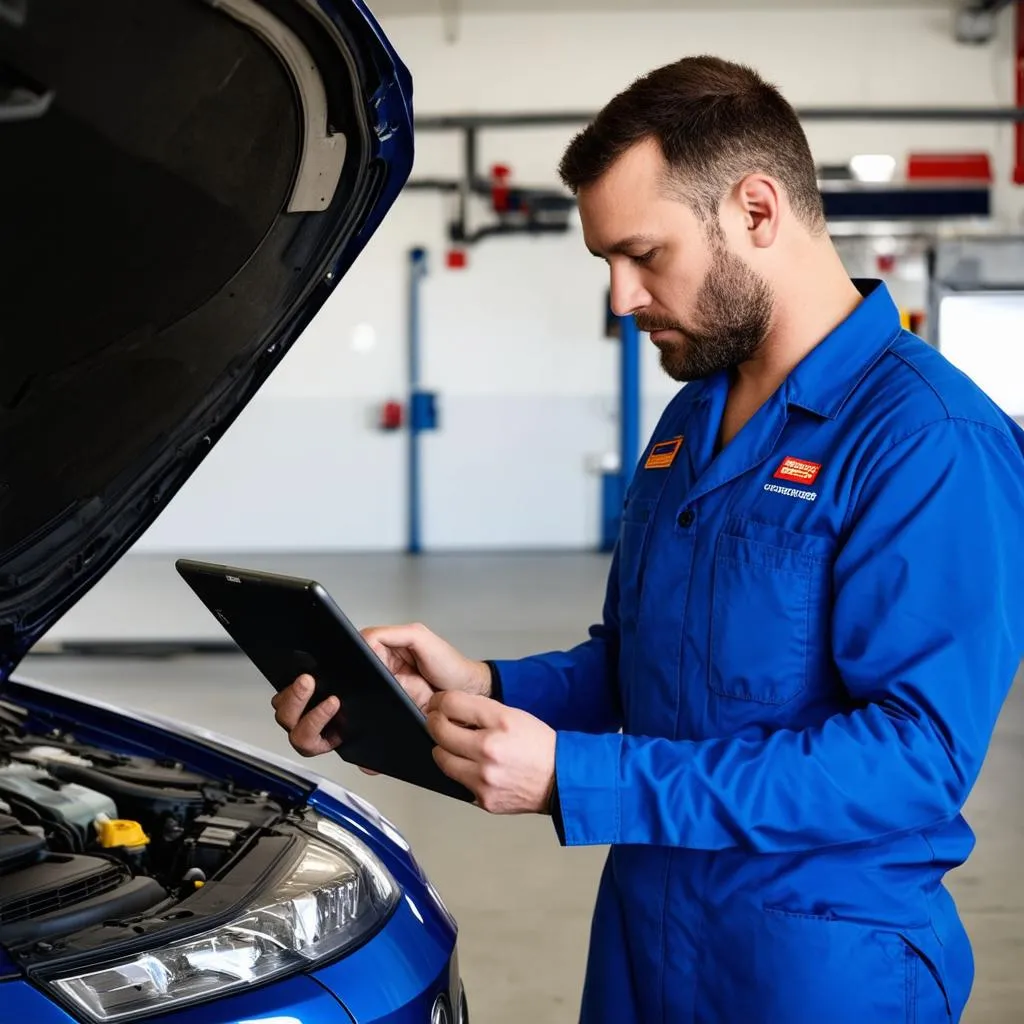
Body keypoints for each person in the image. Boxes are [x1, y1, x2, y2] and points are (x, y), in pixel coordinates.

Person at [271, 55, 1024, 1023]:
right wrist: (477, 690)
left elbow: (913, 757)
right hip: (644, 950)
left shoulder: (928, 441)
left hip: (816, 968)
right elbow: (637, 668)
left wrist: (580, 777)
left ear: (757, 211)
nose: (620, 298)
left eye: (642, 255)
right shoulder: (687, 426)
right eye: (606, 265)